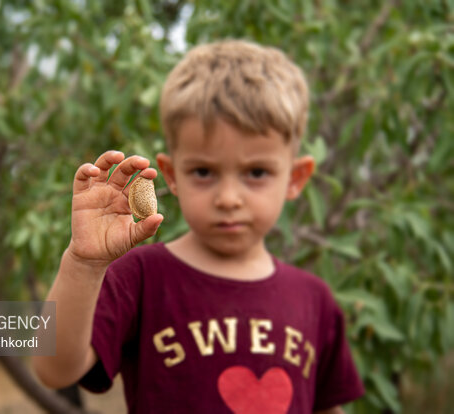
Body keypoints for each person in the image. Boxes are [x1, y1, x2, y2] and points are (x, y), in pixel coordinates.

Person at [34, 39, 364, 413]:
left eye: (256, 172)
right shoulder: (141, 278)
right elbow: (54, 370)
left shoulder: (314, 300)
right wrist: (83, 263)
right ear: (172, 176)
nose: (228, 198)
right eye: (203, 172)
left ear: (295, 177)